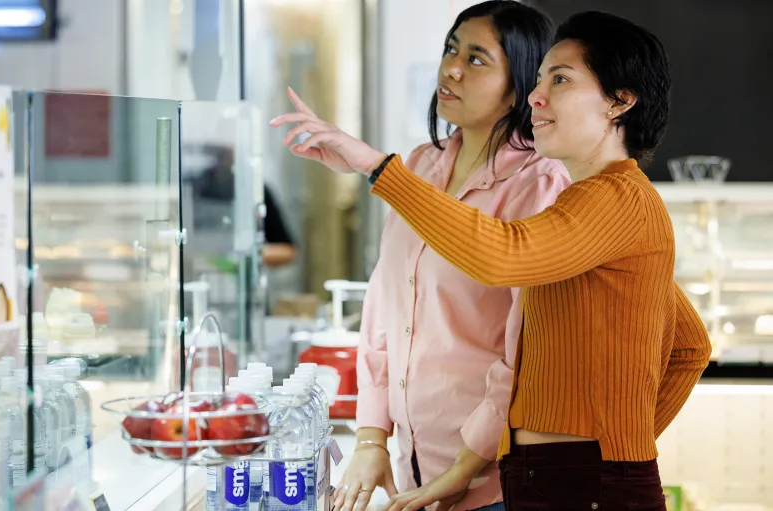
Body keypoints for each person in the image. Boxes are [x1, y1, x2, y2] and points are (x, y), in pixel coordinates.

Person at [270, 10, 712, 511]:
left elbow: (502, 255)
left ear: (619, 101)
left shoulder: (612, 198)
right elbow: (691, 345)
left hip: (569, 482)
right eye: (541, 79)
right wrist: (611, 450)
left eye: (560, 80)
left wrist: (611, 455)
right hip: (541, 475)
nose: (536, 97)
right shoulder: (587, 201)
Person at [327, 3, 569, 511]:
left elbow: (526, 349)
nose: (451, 68)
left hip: (493, 484)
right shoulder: (419, 164)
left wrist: (467, 465)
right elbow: (384, 306)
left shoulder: (539, 184)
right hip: (412, 467)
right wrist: (372, 436)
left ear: (520, 85)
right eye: (451, 48)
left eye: (477, 59)